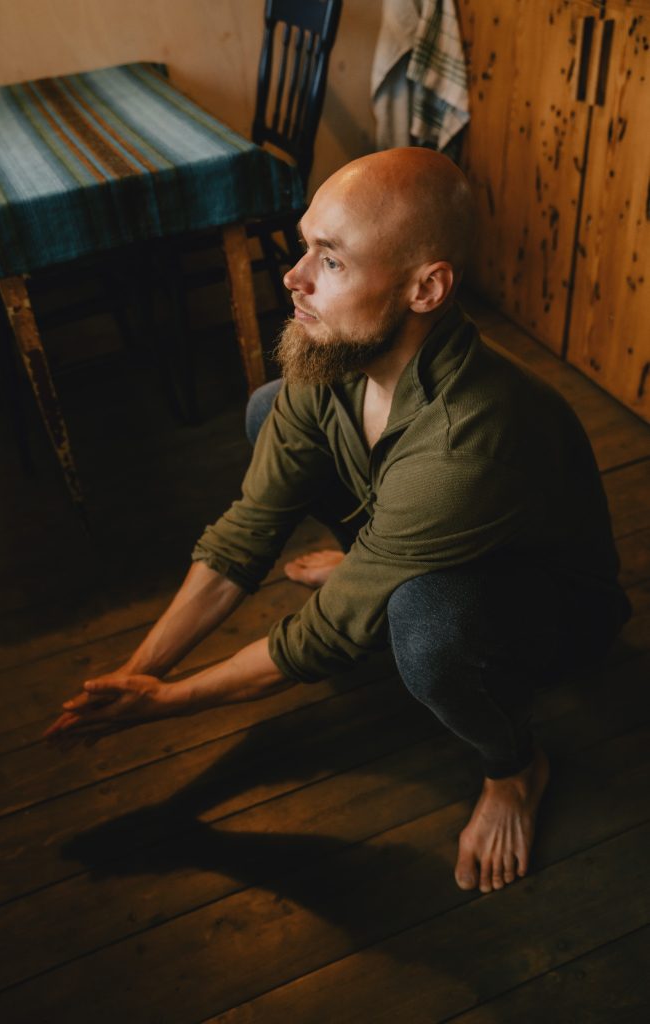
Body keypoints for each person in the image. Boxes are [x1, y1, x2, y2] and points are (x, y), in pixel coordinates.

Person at [45, 147, 630, 895]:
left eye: (331, 260)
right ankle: (381, 564)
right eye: (303, 246)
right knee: (268, 409)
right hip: (425, 529)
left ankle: (514, 768)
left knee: (421, 620)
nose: (293, 278)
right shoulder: (332, 357)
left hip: (553, 614)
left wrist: (169, 704)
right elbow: (246, 532)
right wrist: (138, 672)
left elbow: (325, 636)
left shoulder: (466, 439)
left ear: (426, 288)